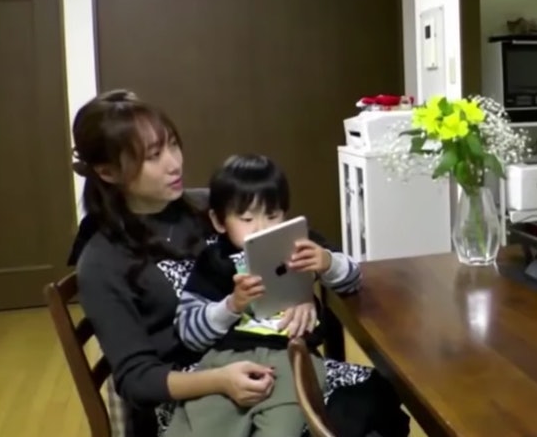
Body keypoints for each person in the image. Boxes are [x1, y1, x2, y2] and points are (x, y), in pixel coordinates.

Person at [71, 90, 409, 436]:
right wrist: (220, 380)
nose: (174, 163)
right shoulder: (101, 261)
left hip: (273, 359)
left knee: (377, 395)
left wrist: (299, 290)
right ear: (108, 172)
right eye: (153, 156)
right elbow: (137, 380)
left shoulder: (210, 206)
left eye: (173, 144)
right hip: (188, 396)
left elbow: (306, 250)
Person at [164, 154, 358, 437]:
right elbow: (189, 333)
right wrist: (231, 305)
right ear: (219, 221)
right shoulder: (215, 260)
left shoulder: (300, 244)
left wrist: (328, 262)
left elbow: (353, 279)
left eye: (272, 215)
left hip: (293, 356)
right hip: (226, 359)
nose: (261, 228)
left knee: (282, 427)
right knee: (201, 423)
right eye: (246, 218)